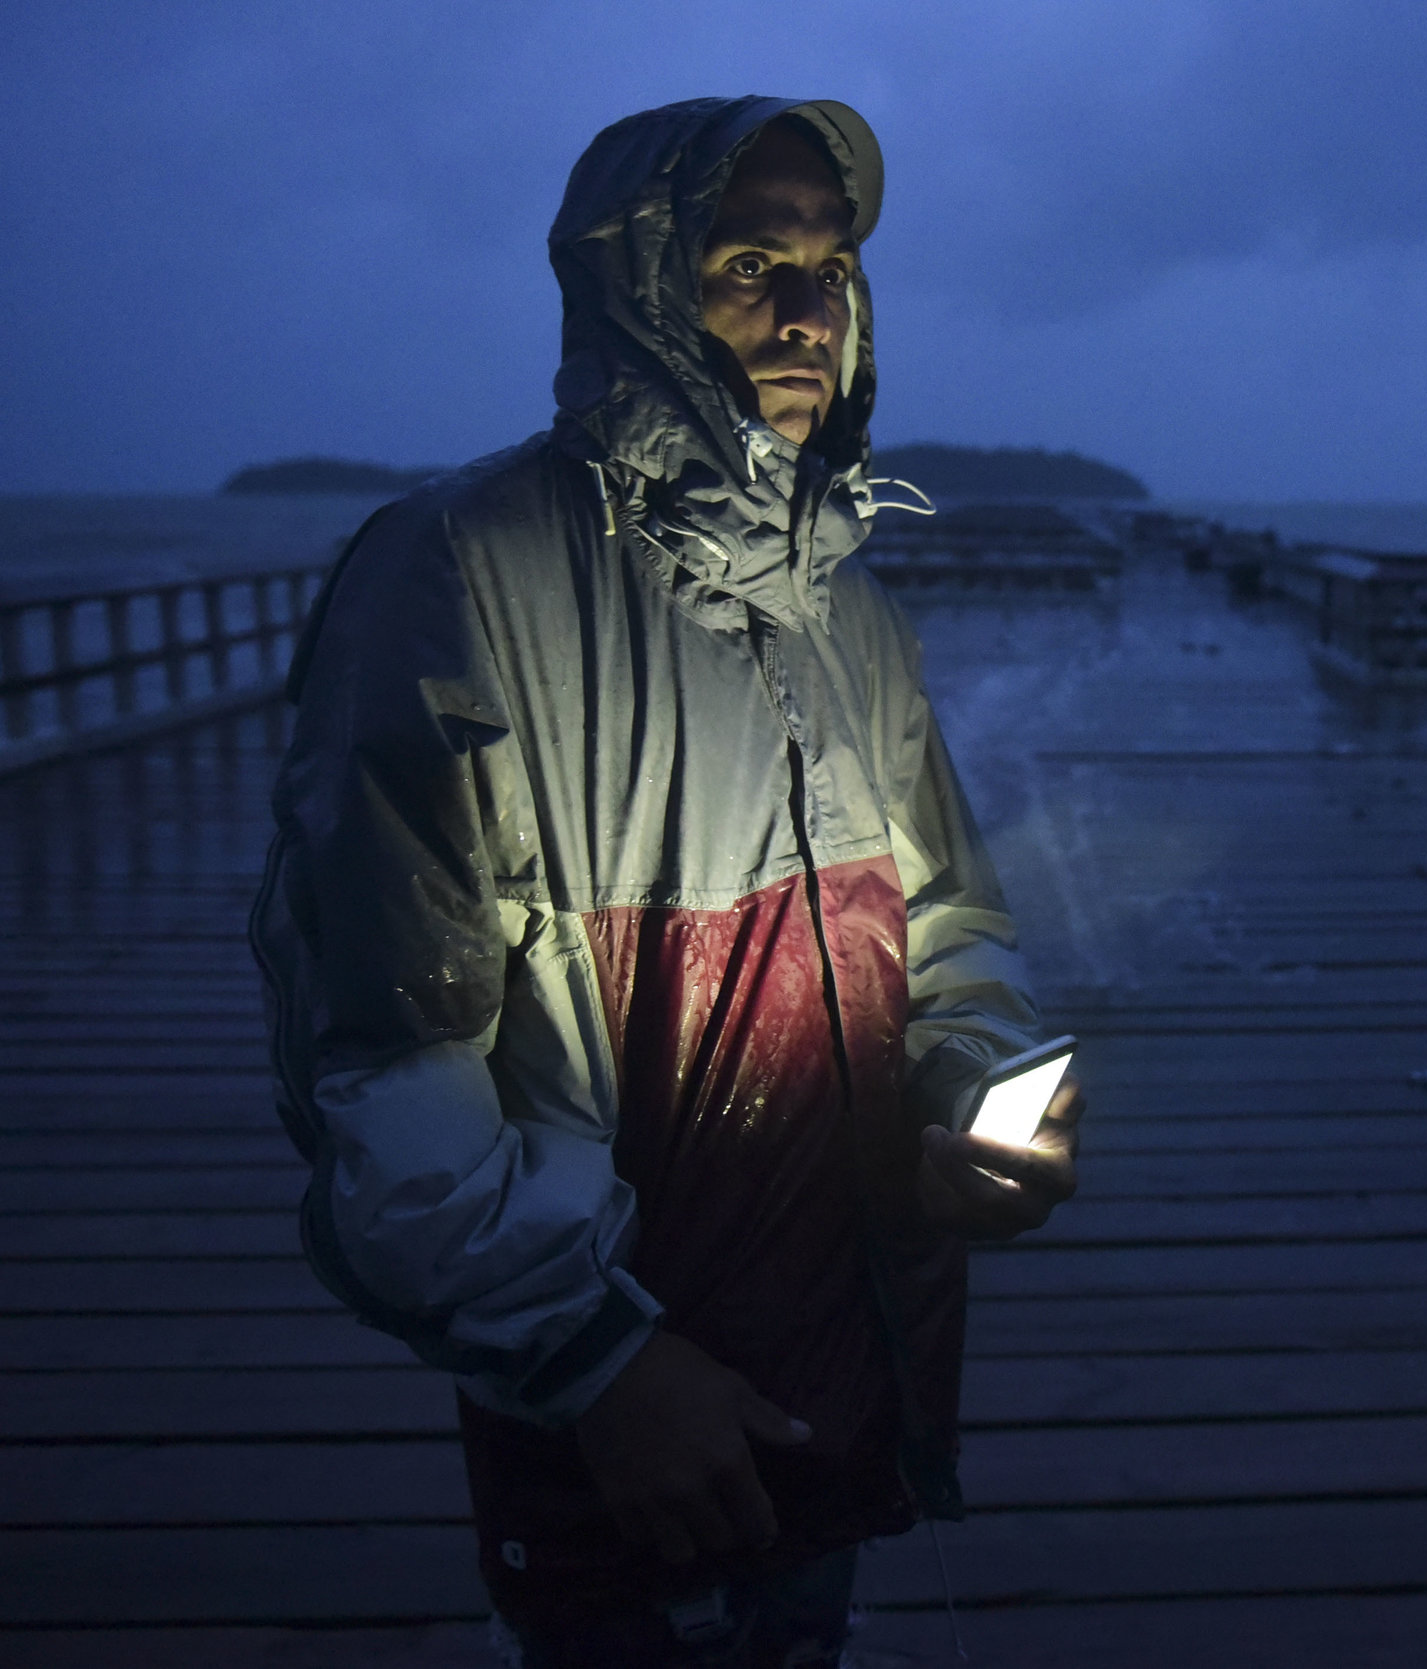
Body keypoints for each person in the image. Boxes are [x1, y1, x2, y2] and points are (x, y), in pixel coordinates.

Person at [249, 96, 1078, 1667]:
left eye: (832, 267)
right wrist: (595, 1357)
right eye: (749, 258)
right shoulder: (452, 568)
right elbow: (381, 1057)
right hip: (616, 1407)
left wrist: (974, 1088)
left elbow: (951, 923)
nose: (805, 307)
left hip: (846, 1351)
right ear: (635, 280)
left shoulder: (850, 609)